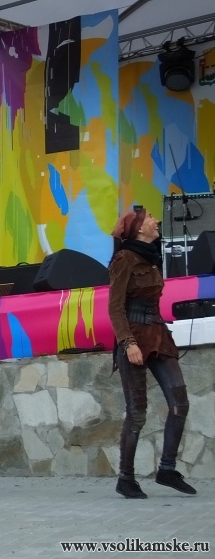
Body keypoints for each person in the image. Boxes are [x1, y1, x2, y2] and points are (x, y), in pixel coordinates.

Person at [108, 206, 196, 499]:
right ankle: (126, 478)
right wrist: (128, 342)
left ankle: (167, 470)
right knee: (137, 414)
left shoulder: (151, 257)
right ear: (137, 229)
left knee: (179, 404)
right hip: (135, 337)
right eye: (149, 219)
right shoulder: (125, 258)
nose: (155, 221)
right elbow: (115, 307)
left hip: (158, 334)